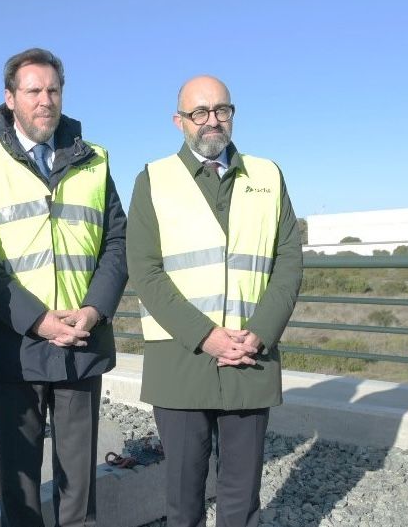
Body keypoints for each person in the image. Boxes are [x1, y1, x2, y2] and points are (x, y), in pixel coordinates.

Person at [0, 48, 128, 527]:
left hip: (81, 341)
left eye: (53, 90)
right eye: (33, 91)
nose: (45, 100)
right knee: (20, 487)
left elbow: (117, 241)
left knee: (79, 486)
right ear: (10, 98)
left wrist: (93, 310)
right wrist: (40, 320)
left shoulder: (94, 160)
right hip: (16, 348)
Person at [126, 75, 302, 527]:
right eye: (199, 113)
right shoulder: (153, 179)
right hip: (181, 358)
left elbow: (288, 262)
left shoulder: (267, 175)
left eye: (221, 110)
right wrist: (205, 336)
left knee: (242, 496)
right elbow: (145, 271)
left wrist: (259, 334)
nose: (212, 121)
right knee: (183, 496)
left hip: (249, 353)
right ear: (179, 121)